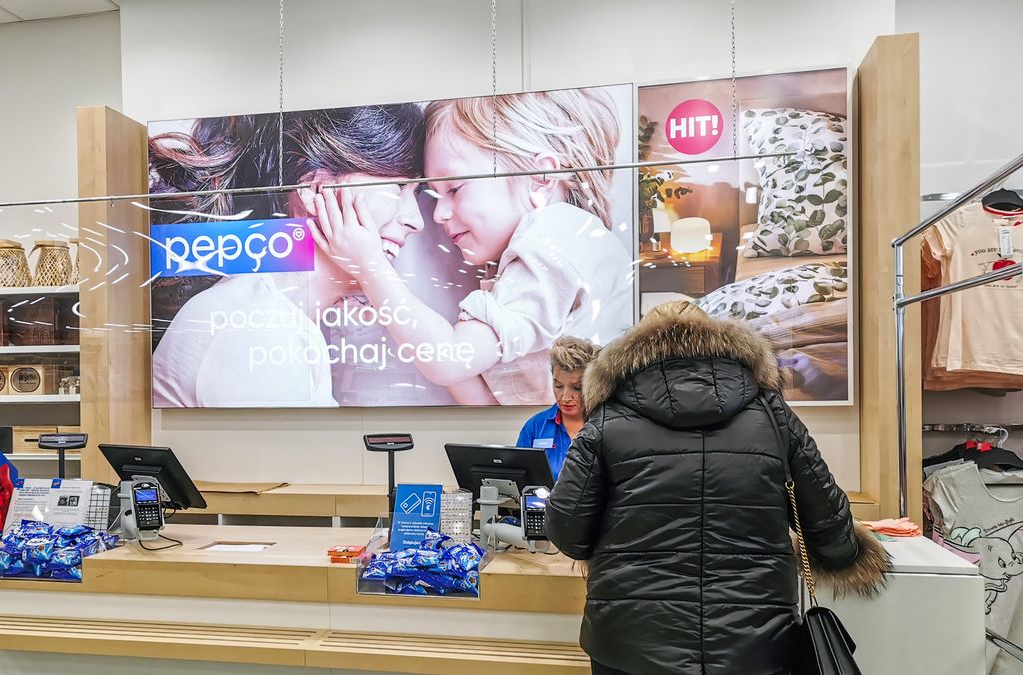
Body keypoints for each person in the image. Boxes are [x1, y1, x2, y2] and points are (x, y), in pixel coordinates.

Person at [545, 301, 889, 675]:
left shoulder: (606, 420)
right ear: (719, 343)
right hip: (755, 642)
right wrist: (850, 555)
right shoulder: (773, 414)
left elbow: (568, 532)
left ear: (633, 352)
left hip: (631, 642)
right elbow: (828, 524)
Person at [309, 89, 633, 405]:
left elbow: (449, 359)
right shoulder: (548, 254)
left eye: (455, 188)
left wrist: (370, 268)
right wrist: (387, 305)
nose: (438, 214)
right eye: (435, 196)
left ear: (541, 177)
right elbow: (484, 401)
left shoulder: (554, 239)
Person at [148, 106, 427, 407]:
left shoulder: (271, 315)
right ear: (317, 189)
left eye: (418, 193)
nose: (417, 220)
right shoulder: (260, 329)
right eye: (399, 187)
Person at [516, 336, 599, 480]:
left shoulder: (606, 425)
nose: (565, 397)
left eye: (577, 388)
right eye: (558, 386)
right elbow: (519, 479)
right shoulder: (535, 427)